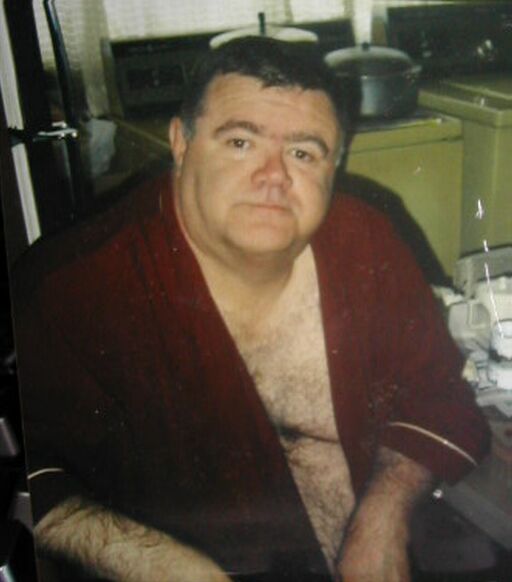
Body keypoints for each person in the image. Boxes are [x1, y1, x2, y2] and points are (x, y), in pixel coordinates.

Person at [13, 37, 489, 582]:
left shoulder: (366, 242)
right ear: (181, 142)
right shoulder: (76, 286)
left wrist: (384, 515)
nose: (273, 177)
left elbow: (438, 393)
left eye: (303, 153)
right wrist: (154, 561)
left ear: (336, 163)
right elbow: (28, 475)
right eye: (241, 142)